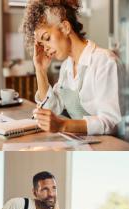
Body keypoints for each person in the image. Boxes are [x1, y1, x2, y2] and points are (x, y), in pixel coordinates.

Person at [22, 0, 121, 135]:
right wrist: (40, 69)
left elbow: (111, 122)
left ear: (65, 28)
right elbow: (53, 109)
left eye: (47, 38)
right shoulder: (66, 67)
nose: (45, 48)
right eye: (41, 43)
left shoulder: (104, 61)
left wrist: (63, 125)